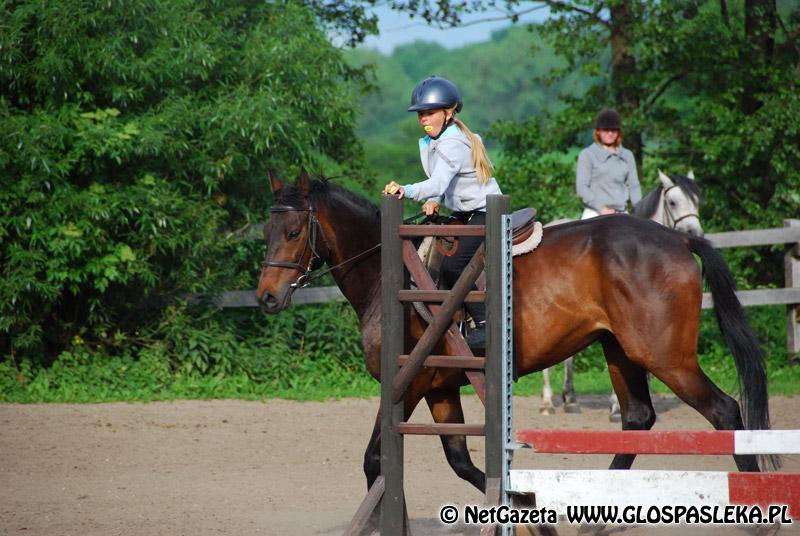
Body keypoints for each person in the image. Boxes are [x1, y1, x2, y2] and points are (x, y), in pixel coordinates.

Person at [383, 76, 502, 349]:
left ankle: (483, 325)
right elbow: (443, 181)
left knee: (452, 265)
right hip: (465, 213)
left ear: (449, 113)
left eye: (430, 113)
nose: (424, 118)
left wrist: (406, 189)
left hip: (485, 213)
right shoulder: (434, 141)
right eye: (421, 114)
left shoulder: (452, 142)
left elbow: (437, 181)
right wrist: (436, 199)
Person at [576, 109, 641, 219]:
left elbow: (634, 186)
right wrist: (601, 208)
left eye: (614, 130)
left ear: (619, 132)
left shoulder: (627, 155)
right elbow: (582, 187)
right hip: (595, 212)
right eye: (606, 130)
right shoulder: (588, 154)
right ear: (598, 132)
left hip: (622, 213)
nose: (610, 133)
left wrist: (639, 210)